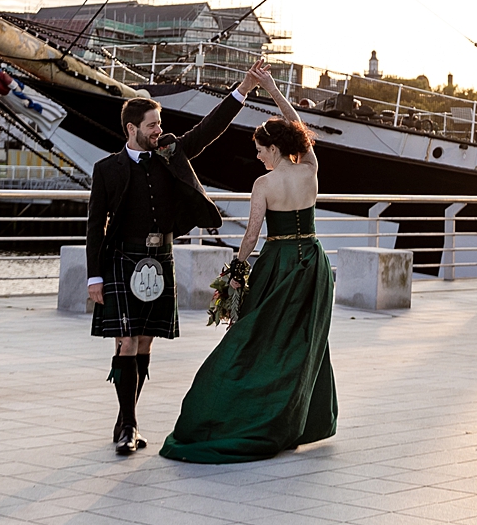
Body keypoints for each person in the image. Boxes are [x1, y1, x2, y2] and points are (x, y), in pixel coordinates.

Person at [161, 67, 336, 463]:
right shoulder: (311, 170)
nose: (257, 156)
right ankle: (295, 421)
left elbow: (251, 236)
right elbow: (297, 127)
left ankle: (234, 414)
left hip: (278, 264)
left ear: (273, 148)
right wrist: (273, 90)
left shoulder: (264, 184)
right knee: (303, 343)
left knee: (254, 340)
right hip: (312, 264)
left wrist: (236, 277)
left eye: (260, 149)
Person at [86, 81, 245, 453]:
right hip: (123, 260)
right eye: (153, 125)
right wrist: (95, 276)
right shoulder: (107, 169)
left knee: (143, 343)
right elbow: (95, 225)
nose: (159, 130)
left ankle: (127, 417)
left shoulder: (171, 154)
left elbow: (209, 129)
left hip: (161, 261)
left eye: (160, 124)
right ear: (132, 128)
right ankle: (129, 424)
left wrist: (242, 90)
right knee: (125, 343)